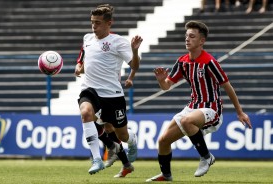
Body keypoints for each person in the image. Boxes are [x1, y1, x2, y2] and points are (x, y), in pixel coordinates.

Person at [146, 20, 252, 182]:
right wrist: (161, 80)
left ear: (201, 41)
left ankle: (206, 157)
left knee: (188, 121)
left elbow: (227, 86)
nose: (187, 39)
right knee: (163, 140)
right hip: (193, 106)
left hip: (212, 108)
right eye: (186, 36)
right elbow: (166, 86)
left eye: (192, 36)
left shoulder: (209, 62)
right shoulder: (182, 61)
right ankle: (166, 175)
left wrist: (239, 111)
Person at [74, 4, 143, 175]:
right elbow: (83, 59)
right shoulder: (87, 38)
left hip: (112, 95)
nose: (94, 27)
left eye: (97, 23)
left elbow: (135, 65)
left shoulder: (118, 42)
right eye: (92, 22)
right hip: (90, 91)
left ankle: (131, 140)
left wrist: (134, 51)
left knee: (122, 135)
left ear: (108, 23)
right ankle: (97, 159)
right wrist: (78, 67)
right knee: (86, 113)